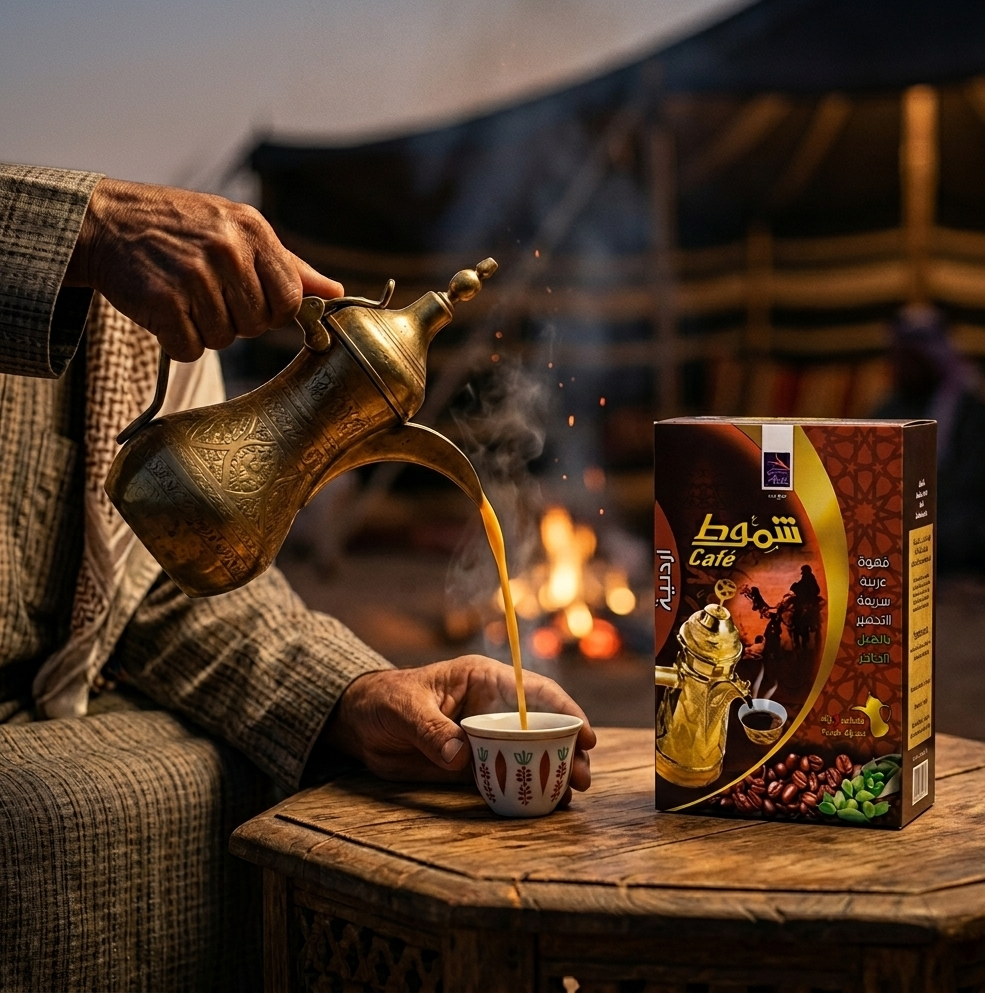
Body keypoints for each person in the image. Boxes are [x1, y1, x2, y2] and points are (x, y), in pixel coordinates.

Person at [0, 163, 595, 796]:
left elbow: (157, 598)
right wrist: (80, 228)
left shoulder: (131, 318)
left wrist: (356, 697)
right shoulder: (105, 268)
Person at [875, 304, 985, 574]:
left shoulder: (974, 412)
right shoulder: (888, 410)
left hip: (965, 520)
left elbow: (972, 486)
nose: (903, 365)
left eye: (912, 356)